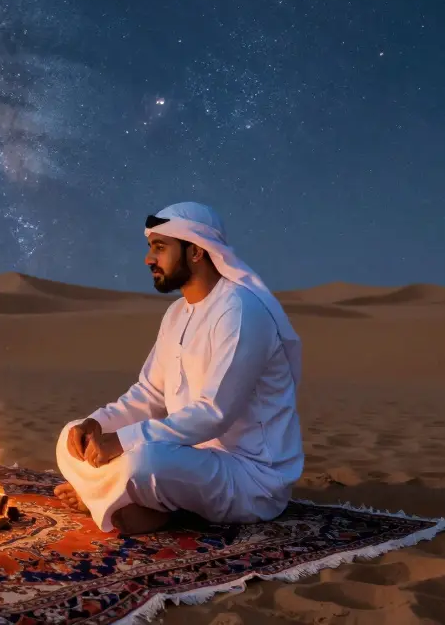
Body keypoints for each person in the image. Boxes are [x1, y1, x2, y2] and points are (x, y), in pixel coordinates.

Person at [54, 202, 304, 535]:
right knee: (70, 437)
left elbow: (214, 413)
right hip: (188, 457)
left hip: (249, 477)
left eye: (160, 248)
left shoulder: (241, 311)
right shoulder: (176, 313)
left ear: (197, 252)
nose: (148, 259)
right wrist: (95, 424)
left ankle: (118, 500)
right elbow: (148, 394)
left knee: (143, 463)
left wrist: (123, 441)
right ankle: (118, 499)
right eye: (150, 248)